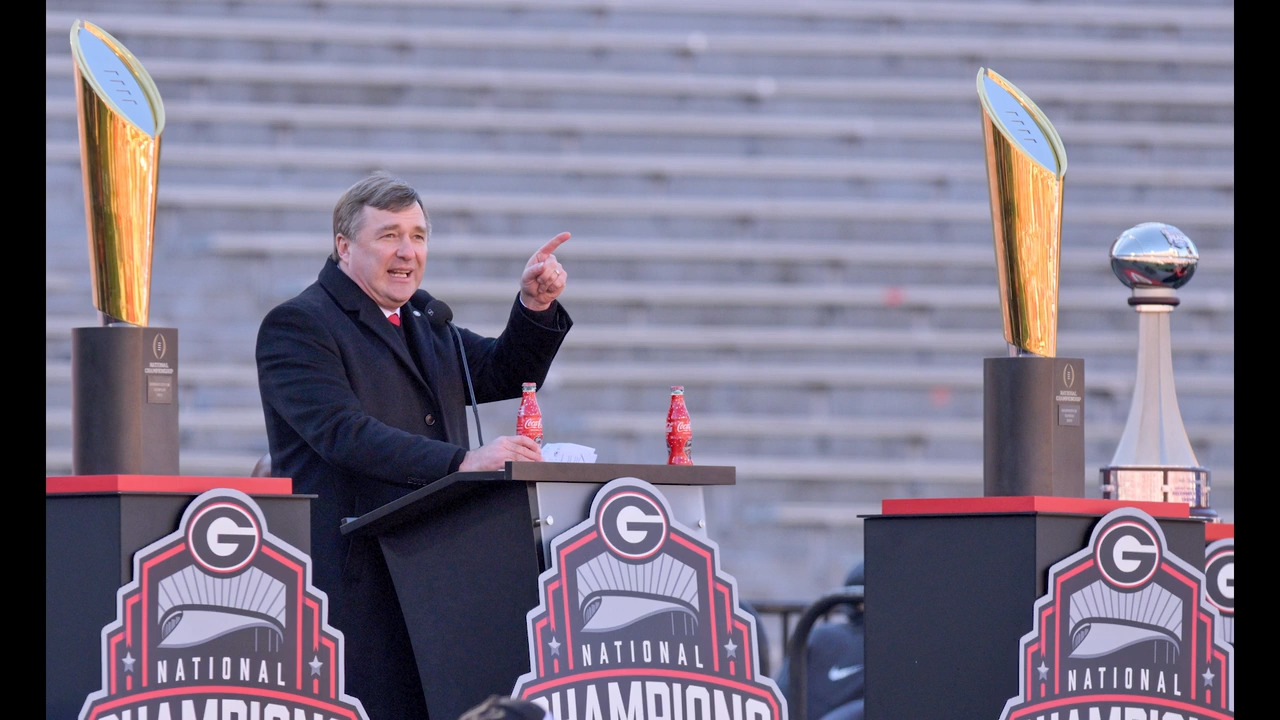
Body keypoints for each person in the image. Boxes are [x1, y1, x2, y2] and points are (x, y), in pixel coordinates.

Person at [255, 171, 573, 720]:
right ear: (343, 246)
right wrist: (463, 462)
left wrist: (533, 308)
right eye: (389, 235)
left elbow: (503, 371)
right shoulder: (298, 325)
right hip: (355, 586)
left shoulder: (426, 318)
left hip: (435, 573)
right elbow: (342, 434)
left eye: (419, 236)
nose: (407, 252)